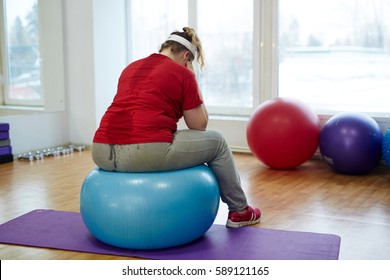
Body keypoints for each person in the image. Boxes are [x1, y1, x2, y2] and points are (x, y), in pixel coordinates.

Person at [92, 27, 261, 228]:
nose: (190, 67)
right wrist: (193, 81)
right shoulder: (183, 73)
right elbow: (199, 125)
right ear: (186, 56)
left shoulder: (131, 68)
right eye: (191, 63)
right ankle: (240, 211)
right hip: (145, 151)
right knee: (218, 142)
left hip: (101, 149)